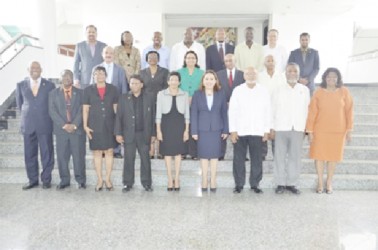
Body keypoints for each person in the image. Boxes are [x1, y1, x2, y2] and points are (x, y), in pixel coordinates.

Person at [306, 68, 353, 194]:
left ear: (338, 78)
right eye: (329, 76)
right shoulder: (318, 92)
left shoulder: (344, 92)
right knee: (319, 157)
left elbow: (349, 112)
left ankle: (329, 183)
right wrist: (310, 131)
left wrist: (349, 130)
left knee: (333, 158)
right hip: (320, 130)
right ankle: (320, 183)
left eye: (334, 76)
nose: (331, 78)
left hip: (338, 131)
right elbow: (312, 112)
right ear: (324, 78)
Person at [229, 67, 271, 194]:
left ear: (257, 75)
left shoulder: (263, 91)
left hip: (258, 131)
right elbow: (232, 111)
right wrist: (233, 130)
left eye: (253, 73)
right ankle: (239, 184)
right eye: (248, 73)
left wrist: (266, 130)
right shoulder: (238, 90)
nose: (251, 75)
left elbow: (267, 111)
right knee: (238, 159)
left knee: (257, 159)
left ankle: (255, 184)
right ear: (244, 76)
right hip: (240, 130)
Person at [271, 63, 310, 195]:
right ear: (285, 73)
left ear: (298, 74)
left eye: (295, 71)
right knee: (279, 156)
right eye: (289, 71)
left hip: (298, 128)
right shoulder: (278, 89)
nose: (292, 73)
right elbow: (272, 109)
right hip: (281, 127)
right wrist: (271, 127)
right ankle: (280, 183)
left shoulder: (304, 90)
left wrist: (307, 129)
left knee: (295, 157)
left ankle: (292, 183)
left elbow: (307, 110)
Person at [16, 61, 56, 190]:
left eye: (37, 67)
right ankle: (32, 180)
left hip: (45, 124)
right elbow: (20, 104)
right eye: (32, 67)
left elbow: (53, 105)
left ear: (41, 69)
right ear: (28, 70)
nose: (35, 69)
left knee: (47, 153)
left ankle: (46, 180)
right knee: (29, 154)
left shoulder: (50, 85)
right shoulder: (20, 85)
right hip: (28, 125)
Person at [115, 75, 156, 192]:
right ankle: (127, 183)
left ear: (142, 84)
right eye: (132, 83)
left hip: (144, 133)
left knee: (145, 159)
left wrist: (153, 134)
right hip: (128, 134)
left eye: (136, 83)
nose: (134, 85)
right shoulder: (123, 98)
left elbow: (153, 116)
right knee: (128, 159)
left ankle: (147, 183)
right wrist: (118, 133)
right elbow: (119, 116)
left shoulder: (149, 97)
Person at [190, 70, 228, 192]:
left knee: (214, 156)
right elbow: (194, 113)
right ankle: (204, 180)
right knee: (204, 156)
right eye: (207, 79)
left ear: (216, 81)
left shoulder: (221, 94)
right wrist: (194, 131)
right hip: (202, 130)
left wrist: (226, 130)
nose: (209, 81)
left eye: (212, 79)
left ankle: (213, 180)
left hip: (217, 129)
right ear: (203, 81)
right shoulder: (197, 94)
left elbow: (224, 113)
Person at [48, 70, 86, 190]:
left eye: (69, 76)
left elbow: (82, 110)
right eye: (64, 75)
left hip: (77, 130)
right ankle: (64, 180)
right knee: (62, 157)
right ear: (60, 78)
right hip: (61, 131)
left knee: (78, 156)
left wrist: (74, 124)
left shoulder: (81, 93)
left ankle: (80, 180)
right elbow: (52, 111)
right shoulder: (53, 94)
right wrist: (64, 125)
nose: (67, 78)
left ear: (73, 78)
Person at [83, 66, 119, 192]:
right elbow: (85, 109)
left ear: (106, 75)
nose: (99, 75)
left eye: (102, 73)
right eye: (97, 73)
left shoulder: (113, 89)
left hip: (110, 125)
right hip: (94, 125)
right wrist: (85, 126)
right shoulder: (88, 90)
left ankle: (108, 179)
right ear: (93, 76)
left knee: (109, 152)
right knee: (97, 152)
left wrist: (118, 126)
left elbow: (116, 108)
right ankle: (99, 179)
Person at [90, 46, 129, 159]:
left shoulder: (120, 70)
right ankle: (102, 150)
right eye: (106, 52)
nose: (108, 55)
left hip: (115, 104)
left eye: (111, 53)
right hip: (98, 104)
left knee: (114, 126)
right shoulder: (96, 68)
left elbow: (124, 88)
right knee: (101, 127)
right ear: (102, 54)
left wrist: (123, 104)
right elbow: (91, 86)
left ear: (114, 55)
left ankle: (116, 150)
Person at [156, 72, 190, 191]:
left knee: (178, 153)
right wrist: (158, 131)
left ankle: (177, 178)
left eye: (176, 80)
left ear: (179, 82)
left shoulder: (184, 94)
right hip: (166, 125)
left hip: (179, 125)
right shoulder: (161, 94)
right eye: (172, 80)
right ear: (168, 81)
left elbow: (187, 114)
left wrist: (186, 130)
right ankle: (170, 179)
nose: (174, 82)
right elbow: (158, 114)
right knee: (167, 153)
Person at [140, 51, 169, 159]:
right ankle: (150, 151)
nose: (152, 59)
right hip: (146, 102)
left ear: (159, 59)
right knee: (148, 125)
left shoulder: (165, 72)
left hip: (161, 101)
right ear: (147, 59)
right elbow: (140, 87)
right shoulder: (142, 72)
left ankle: (161, 150)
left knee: (161, 124)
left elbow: (167, 87)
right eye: (150, 57)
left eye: (155, 57)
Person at [216, 53, 244, 160]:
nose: (229, 63)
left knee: (238, 130)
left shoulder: (242, 74)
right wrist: (224, 102)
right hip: (223, 106)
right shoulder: (218, 74)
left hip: (238, 107)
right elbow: (217, 90)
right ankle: (221, 153)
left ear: (235, 61)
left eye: (231, 60)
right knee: (223, 130)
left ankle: (240, 154)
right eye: (226, 61)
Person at [178, 51, 204, 159]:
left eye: (193, 58)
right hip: (181, 102)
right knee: (182, 126)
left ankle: (194, 153)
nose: (190, 60)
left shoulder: (201, 72)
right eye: (188, 58)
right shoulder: (179, 72)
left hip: (197, 102)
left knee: (195, 126)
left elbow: (203, 87)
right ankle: (183, 152)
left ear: (196, 60)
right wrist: (185, 97)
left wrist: (193, 97)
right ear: (185, 59)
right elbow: (176, 86)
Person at [259, 55, 286, 159]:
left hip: (278, 108)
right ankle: (262, 155)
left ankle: (277, 155)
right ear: (264, 63)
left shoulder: (281, 76)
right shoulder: (260, 76)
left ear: (275, 63)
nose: (270, 62)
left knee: (277, 131)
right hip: (263, 107)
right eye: (268, 61)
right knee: (263, 130)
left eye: (272, 60)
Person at [73, 25, 107, 89]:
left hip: (100, 80)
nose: (91, 34)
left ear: (96, 34)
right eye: (89, 32)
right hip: (85, 80)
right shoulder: (80, 46)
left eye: (93, 32)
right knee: (85, 98)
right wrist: (76, 79)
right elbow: (76, 63)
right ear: (85, 34)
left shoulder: (103, 46)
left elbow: (106, 63)